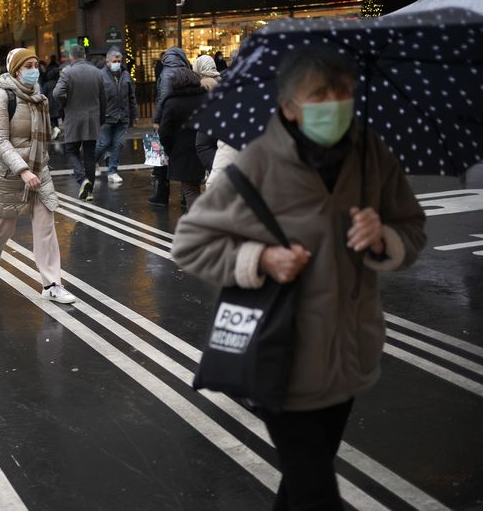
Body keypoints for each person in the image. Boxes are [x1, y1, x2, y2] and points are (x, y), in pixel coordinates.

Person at [171, 46, 427, 510]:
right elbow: (190, 243)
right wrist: (260, 259)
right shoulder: (257, 164)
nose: (334, 102)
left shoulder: (372, 155)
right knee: (316, 493)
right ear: (288, 105)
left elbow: (411, 228)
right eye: (319, 93)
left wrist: (384, 236)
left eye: (343, 91)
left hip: (349, 352)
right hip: (281, 357)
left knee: (304, 482)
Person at [0, 48, 76, 304]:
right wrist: (23, 170)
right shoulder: (2, 97)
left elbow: (43, 138)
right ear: (16, 69)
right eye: (28, 65)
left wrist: (39, 166)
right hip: (8, 174)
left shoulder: (40, 99)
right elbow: (1, 140)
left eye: (35, 64)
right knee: (2, 229)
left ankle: (52, 283)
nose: (34, 70)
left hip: (39, 173)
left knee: (46, 226)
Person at [53, 45, 106, 201]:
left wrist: (63, 104)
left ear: (71, 57)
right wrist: (101, 118)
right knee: (89, 155)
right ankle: (89, 193)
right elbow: (104, 98)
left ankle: (83, 180)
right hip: (92, 119)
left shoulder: (67, 73)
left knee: (71, 151)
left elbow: (57, 93)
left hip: (74, 118)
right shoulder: (97, 73)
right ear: (84, 55)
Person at [158, 67, 207, 209]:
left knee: (190, 190)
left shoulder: (172, 103)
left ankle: (196, 224)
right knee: (196, 187)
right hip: (203, 148)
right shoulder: (204, 98)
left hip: (182, 152)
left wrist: (169, 148)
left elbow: (164, 132)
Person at [149, 46, 192, 206]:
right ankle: (185, 196)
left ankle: (162, 194)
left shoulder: (166, 73)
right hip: (185, 118)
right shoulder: (187, 70)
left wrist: (157, 119)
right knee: (183, 155)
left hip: (169, 118)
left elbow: (163, 98)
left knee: (161, 156)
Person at [96, 47, 137, 184]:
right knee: (103, 144)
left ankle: (112, 171)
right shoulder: (100, 76)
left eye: (119, 61)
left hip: (122, 116)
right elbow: (96, 98)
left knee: (118, 145)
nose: (117, 63)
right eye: (114, 61)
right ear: (107, 61)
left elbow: (131, 96)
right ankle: (91, 163)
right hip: (106, 117)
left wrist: (133, 115)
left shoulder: (125, 75)